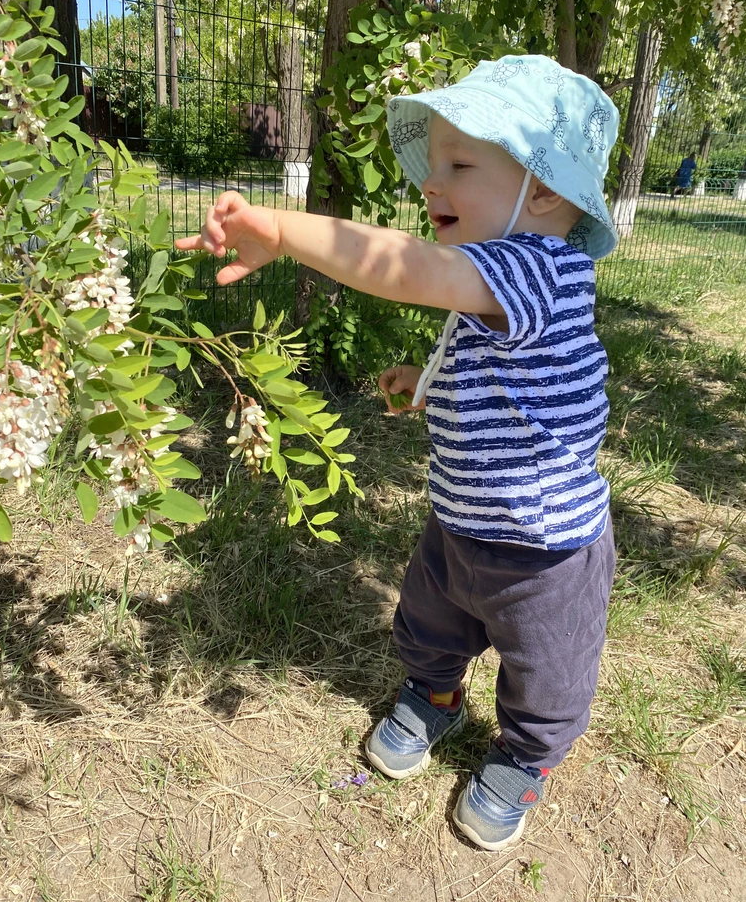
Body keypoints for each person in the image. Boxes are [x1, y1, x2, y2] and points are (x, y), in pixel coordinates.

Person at [174, 54, 619, 853]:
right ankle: (435, 696)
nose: (431, 185)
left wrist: (286, 230)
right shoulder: (500, 277)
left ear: (543, 191)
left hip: (545, 553)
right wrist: (428, 383)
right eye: (433, 164)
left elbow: (410, 269)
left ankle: (524, 757)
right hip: (461, 522)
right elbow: (497, 367)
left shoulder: (543, 268)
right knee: (430, 621)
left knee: (547, 671)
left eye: (459, 165)